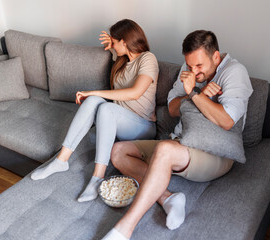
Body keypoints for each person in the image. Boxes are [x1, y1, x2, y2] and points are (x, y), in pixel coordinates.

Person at [102, 30, 253, 240]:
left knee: (165, 149)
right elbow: (172, 109)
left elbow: (226, 121)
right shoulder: (188, 69)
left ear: (216, 57)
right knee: (118, 152)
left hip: (214, 154)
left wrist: (192, 92)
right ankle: (168, 198)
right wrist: (195, 95)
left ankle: (124, 229)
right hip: (180, 143)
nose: (194, 72)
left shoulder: (234, 72)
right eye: (190, 66)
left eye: (199, 66)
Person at [31, 19, 159, 203]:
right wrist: (113, 49)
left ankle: (97, 178)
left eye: (115, 41)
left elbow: (135, 93)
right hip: (119, 123)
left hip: (142, 127)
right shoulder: (122, 61)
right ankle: (61, 160)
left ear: (125, 41)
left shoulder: (148, 59)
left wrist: (94, 91)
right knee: (93, 101)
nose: (112, 45)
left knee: (105, 106)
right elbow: (118, 64)